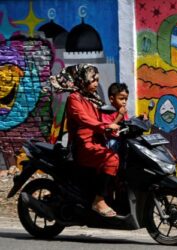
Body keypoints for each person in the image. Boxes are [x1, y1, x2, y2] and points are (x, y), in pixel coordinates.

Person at [50, 64, 120, 218]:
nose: (96, 83)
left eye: (97, 80)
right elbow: (84, 118)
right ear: (82, 80)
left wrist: (132, 121)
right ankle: (98, 201)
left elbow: (107, 116)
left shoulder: (93, 98)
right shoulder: (74, 99)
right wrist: (105, 127)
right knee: (112, 159)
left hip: (97, 142)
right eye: (92, 80)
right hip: (83, 146)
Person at [101, 82, 129, 152]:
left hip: (122, 139)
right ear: (111, 99)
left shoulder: (122, 111)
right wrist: (119, 116)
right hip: (112, 140)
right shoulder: (107, 111)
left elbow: (127, 124)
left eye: (126, 99)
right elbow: (108, 130)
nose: (124, 102)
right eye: (121, 99)